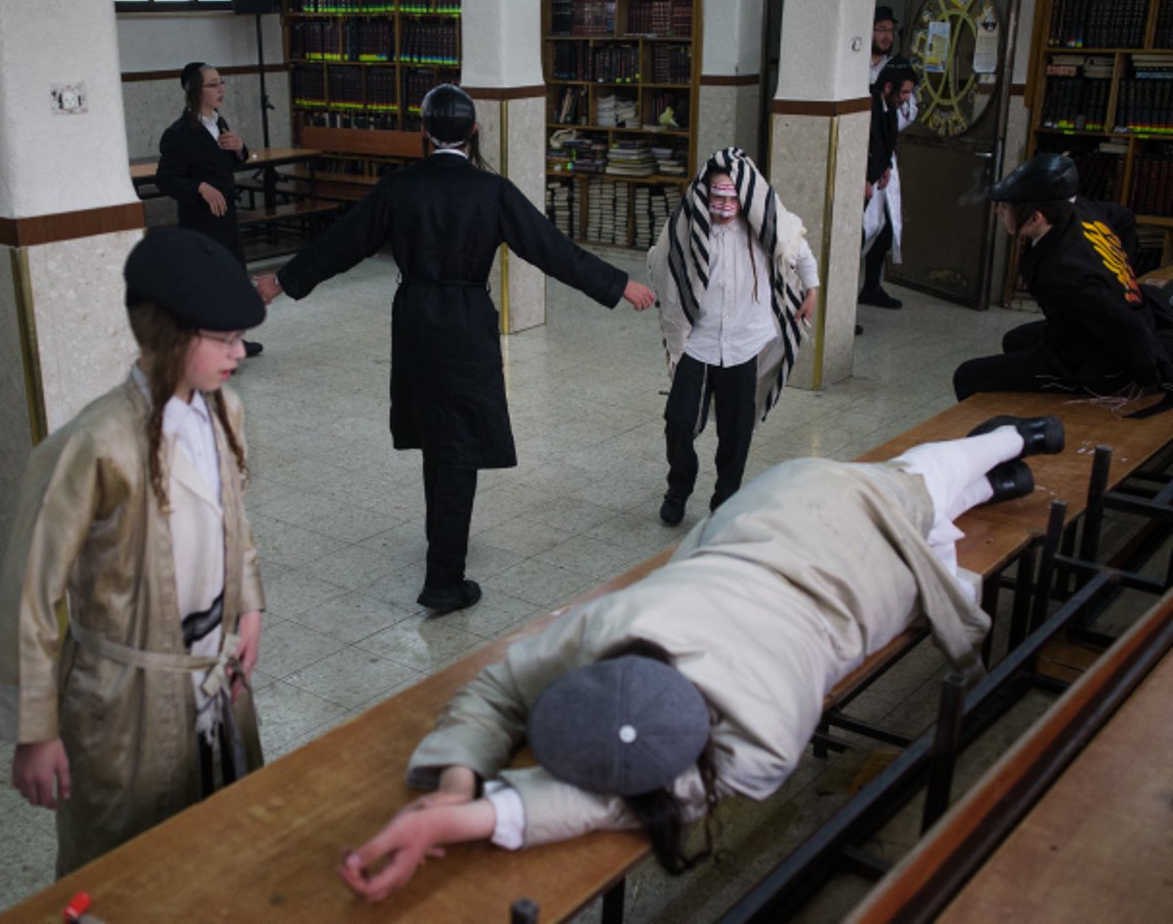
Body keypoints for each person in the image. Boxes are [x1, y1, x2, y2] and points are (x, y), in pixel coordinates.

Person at [336, 415, 1066, 901]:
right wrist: (457, 792)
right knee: (913, 494)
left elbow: (604, 795)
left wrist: (463, 803)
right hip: (817, 555)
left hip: (805, 525)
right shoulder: (642, 643)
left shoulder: (750, 741)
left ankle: (1009, 443)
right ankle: (994, 475)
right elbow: (505, 690)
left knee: (910, 494)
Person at [253, 84, 655, 614]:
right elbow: (553, 250)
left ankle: (440, 541)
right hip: (466, 320)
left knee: (436, 432)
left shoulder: (400, 187)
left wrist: (282, 282)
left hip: (415, 318)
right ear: (474, 131)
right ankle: (444, 580)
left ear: (424, 132)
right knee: (459, 442)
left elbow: (340, 244)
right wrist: (619, 284)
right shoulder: (492, 192)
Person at [0, 228, 269, 877]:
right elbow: (30, 591)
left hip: (214, 668)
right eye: (223, 338)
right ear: (168, 335)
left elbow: (234, 519)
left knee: (226, 842)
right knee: (121, 863)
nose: (239, 351)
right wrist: (35, 728)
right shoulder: (93, 444)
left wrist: (248, 605)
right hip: (121, 695)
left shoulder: (225, 411)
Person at [649, 148, 819, 526]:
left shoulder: (765, 225)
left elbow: (798, 248)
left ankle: (725, 499)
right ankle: (678, 489)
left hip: (744, 344)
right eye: (717, 197)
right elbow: (661, 260)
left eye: (732, 198)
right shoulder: (686, 224)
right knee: (679, 422)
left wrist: (811, 290)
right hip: (698, 343)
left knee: (736, 432)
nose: (724, 206)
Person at [953, 153, 1173, 401]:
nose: (998, 212)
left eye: (1004, 208)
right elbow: (1124, 218)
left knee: (967, 376)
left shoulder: (1065, 272)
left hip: (1101, 364)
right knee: (1016, 340)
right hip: (1089, 330)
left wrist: (1149, 383)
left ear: (1035, 218)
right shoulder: (1076, 209)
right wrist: (1120, 275)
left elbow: (1127, 329)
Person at [156, 61, 263, 358]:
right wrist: (200, 187)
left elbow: (229, 164)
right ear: (194, 90)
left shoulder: (219, 122)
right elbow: (165, 180)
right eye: (213, 84)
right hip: (200, 222)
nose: (221, 89)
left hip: (227, 218)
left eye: (221, 82)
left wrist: (240, 149)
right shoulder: (178, 133)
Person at [860, 55, 918, 311]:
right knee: (863, 233)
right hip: (864, 179)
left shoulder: (890, 106)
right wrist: (863, 177)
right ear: (887, 87)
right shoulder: (868, 105)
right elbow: (863, 144)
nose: (906, 98)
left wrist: (886, 167)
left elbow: (887, 140)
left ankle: (871, 287)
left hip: (879, 174)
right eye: (904, 92)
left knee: (885, 228)